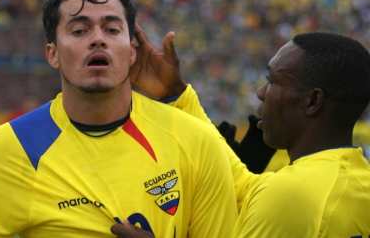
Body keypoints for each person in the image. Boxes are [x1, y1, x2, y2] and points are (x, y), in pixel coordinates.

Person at [0, 0, 240, 237]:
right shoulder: (10, 148)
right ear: (53, 55)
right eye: (79, 30)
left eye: (112, 28)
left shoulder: (196, 142)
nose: (98, 38)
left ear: (132, 51)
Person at [111, 32, 370, 237]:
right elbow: (242, 183)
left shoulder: (291, 195)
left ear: (312, 101)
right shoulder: (356, 180)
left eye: (274, 81)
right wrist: (175, 93)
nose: (261, 92)